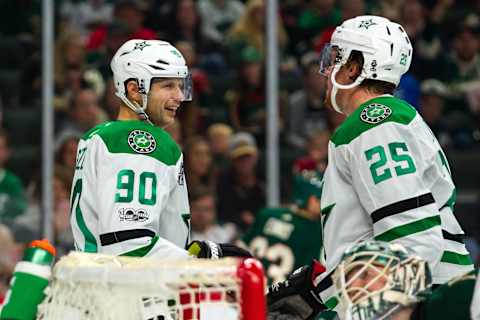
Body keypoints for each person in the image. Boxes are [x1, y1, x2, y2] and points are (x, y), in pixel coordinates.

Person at [267, 15, 473, 316]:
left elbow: (412, 240)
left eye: (335, 58)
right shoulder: (384, 120)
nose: (326, 70)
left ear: (354, 67)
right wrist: (320, 294)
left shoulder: (373, 123)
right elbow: (374, 241)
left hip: (426, 302)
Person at [70, 39, 250, 260]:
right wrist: (198, 265)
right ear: (134, 90)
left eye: (180, 85)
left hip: (101, 280)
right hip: (131, 290)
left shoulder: (99, 136)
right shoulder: (140, 141)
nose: (179, 96)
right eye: (167, 86)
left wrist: (192, 251)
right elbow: (129, 245)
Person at [241, 170, 323, 284]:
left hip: (247, 285)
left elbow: (240, 249)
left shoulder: (268, 214)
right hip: (280, 296)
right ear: (307, 197)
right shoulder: (315, 231)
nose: (324, 201)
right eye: (319, 197)